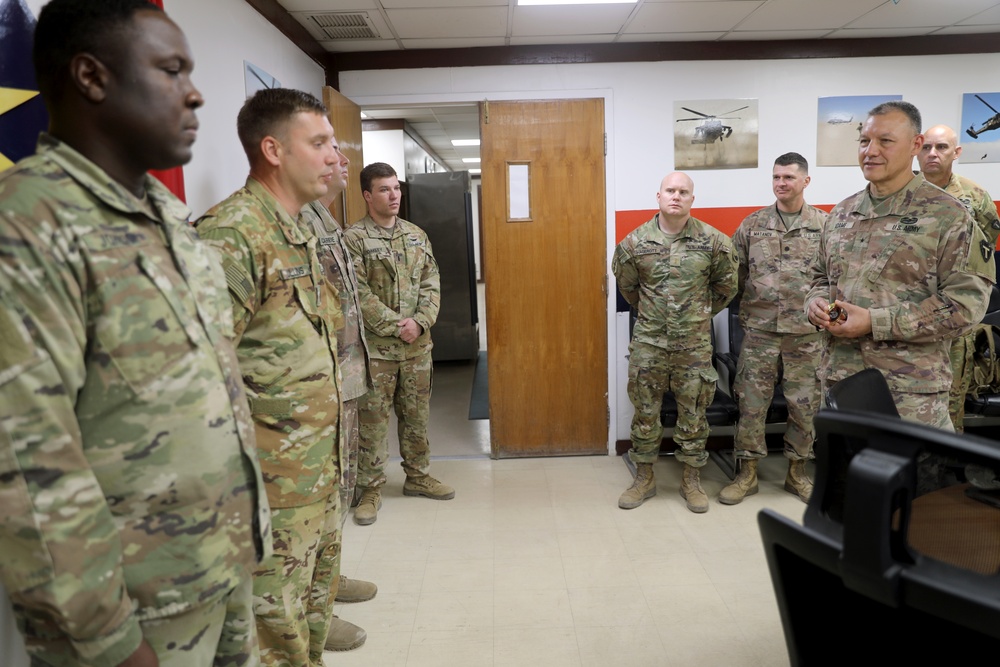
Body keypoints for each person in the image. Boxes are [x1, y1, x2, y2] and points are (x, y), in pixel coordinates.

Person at [0, 1, 270, 665]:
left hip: (219, 571)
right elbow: (27, 465)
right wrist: (111, 638)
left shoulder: (164, 215)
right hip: (132, 618)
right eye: (172, 70)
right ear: (92, 77)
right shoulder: (30, 224)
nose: (196, 92)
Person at [196, 88, 347, 666]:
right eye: (320, 142)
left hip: (316, 472)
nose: (333, 155)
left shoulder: (300, 228)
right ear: (274, 150)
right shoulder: (230, 235)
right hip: (269, 489)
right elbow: (204, 377)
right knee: (271, 637)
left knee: (308, 622)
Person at [806, 101, 995, 432]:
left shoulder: (948, 216)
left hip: (908, 397)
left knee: (914, 484)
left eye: (886, 141)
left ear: (915, 145)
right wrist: (815, 304)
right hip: (839, 385)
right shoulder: (841, 214)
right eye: (865, 141)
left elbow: (966, 307)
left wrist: (874, 322)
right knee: (841, 482)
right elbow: (820, 276)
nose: (871, 151)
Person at [612, 172, 738, 513]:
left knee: (694, 414)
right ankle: (644, 478)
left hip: (693, 347)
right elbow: (629, 290)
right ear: (658, 196)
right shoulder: (633, 244)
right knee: (645, 414)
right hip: (649, 345)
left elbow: (725, 289)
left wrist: (694, 314)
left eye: (683, 191)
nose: (676, 196)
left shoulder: (714, 243)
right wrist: (657, 316)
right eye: (671, 190)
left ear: (692, 200)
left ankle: (691, 480)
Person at [298, 137, 379, 652]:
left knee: (339, 491)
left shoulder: (325, 221)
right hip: (307, 396)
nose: (341, 161)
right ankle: (310, 613)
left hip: (342, 378)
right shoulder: (292, 223)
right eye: (325, 147)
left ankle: (328, 581)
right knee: (311, 506)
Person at [344, 162, 453, 526]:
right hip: (377, 352)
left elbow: (432, 282)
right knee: (373, 423)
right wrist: (396, 327)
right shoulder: (353, 239)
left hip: (418, 349)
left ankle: (418, 477)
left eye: (396, 188)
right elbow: (357, 294)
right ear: (366, 195)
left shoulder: (416, 235)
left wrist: (420, 323)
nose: (394, 196)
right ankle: (371, 489)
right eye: (384, 190)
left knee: (416, 418)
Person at [720, 153, 828, 505]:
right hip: (760, 334)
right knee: (751, 405)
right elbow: (733, 277)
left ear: (805, 181)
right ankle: (747, 474)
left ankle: (797, 473)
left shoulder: (825, 227)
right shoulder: (752, 225)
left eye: (789, 178)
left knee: (805, 407)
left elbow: (835, 278)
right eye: (776, 177)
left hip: (807, 335)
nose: (781, 183)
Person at [917, 124, 1000, 431]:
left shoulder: (975, 198)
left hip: (954, 319)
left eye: (941, 147)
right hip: (908, 315)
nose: (932, 154)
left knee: (950, 404)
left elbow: (984, 253)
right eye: (926, 148)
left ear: (957, 152)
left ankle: (942, 476)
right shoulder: (901, 195)